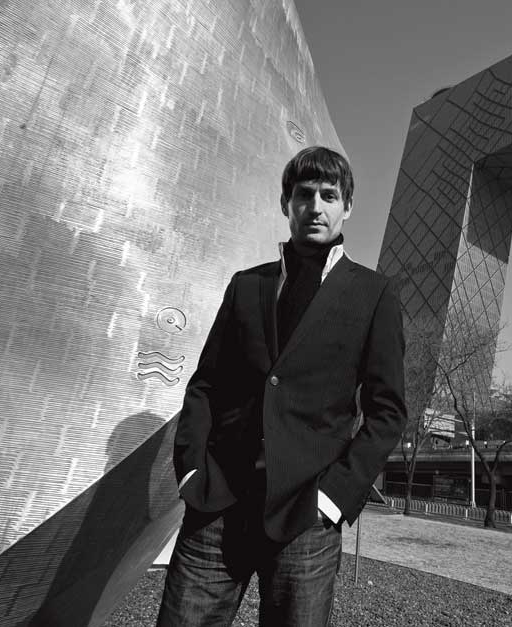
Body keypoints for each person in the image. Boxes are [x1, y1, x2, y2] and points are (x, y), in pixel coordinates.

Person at [156, 146, 407, 626]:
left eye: (329, 195)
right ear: (286, 203)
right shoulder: (246, 286)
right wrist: (191, 468)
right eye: (304, 194)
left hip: (305, 518)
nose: (315, 206)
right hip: (219, 504)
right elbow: (206, 385)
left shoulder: (374, 295)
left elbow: (388, 411)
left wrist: (333, 498)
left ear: (347, 207)